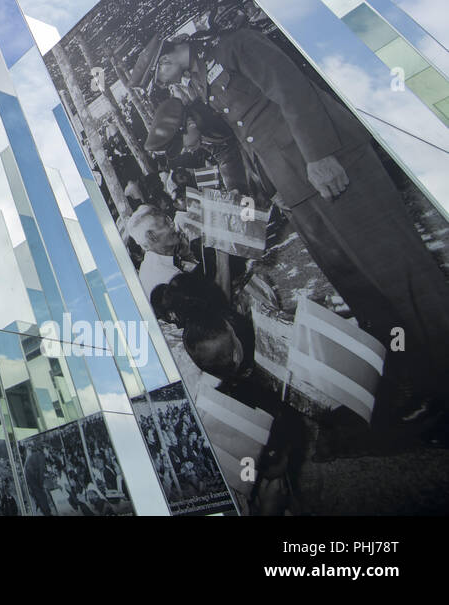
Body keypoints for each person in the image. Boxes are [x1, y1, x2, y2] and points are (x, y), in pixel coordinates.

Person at [143, 26, 449, 426]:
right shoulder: (199, 84)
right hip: (296, 188)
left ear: (164, 60)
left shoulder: (233, 45)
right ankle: (426, 382)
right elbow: (237, 139)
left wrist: (319, 154)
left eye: (158, 77)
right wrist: (256, 193)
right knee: (361, 288)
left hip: (330, 165)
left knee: (400, 274)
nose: (163, 84)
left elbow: (291, 89)